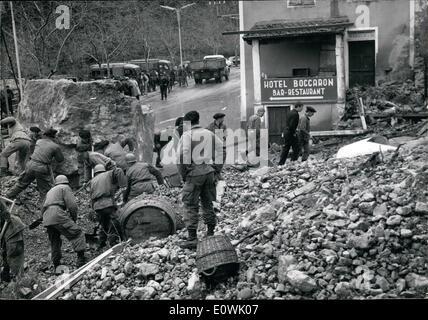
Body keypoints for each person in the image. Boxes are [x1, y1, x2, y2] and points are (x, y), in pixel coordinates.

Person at [177, 111, 223, 249]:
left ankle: (192, 238)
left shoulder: (187, 135)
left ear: (188, 123)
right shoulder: (209, 133)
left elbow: (182, 155)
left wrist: (184, 173)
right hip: (208, 171)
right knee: (208, 203)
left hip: (194, 173)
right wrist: (216, 168)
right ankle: (210, 233)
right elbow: (222, 149)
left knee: (190, 204)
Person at [6, 128, 64, 202]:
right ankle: (45, 207)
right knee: (44, 190)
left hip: (31, 164)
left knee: (22, 183)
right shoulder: (55, 146)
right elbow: (60, 159)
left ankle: (7, 196)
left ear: (45, 135)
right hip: (42, 167)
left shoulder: (39, 141)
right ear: (54, 136)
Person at [42, 175, 86, 269]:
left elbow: (43, 207)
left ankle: (57, 264)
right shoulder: (65, 187)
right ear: (66, 182)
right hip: (57, 213)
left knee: (55, 240)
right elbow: (72, 206)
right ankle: (81, 260)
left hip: (46, 216)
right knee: (77, 233)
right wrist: (74, 219)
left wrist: (44, 218)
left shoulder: (50, 191)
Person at [90, 164, 127, 250]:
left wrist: (94, 209)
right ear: (103, 170)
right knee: (114, 222)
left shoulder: (92, 181)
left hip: (97, 206)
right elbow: (118, 170)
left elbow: (91, 197)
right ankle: (113, 242)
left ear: (95, 173)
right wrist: (123, 186)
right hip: (107, 204)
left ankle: (101, 243)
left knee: (104, 224)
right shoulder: (108, 174)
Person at [0, 198, 25, 282]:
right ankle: (6, 278)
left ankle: (20, 284)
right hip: (4, 230)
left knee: (14, 254)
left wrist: (4, 213)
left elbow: (6, 214)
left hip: (11, 227)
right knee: (4, 254)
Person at [278, 101, 304, 166]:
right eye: (301, 107)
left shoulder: (290, 112)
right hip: (290, 133)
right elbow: (292, 125)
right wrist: (294, 133)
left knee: (286, 148)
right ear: (298, 107)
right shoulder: (295, 114)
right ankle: (293, 161)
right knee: (296, 148)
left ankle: (281, 163)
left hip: (286, 132)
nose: (302, 109)